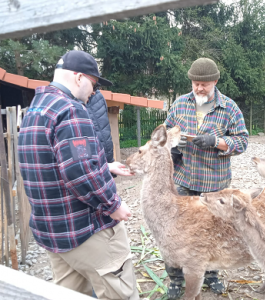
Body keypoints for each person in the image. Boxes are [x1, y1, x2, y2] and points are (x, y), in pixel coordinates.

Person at [18, 50, 139, 300]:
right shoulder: (71, 109)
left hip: (53, 232)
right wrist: (112, 204)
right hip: (84, 229)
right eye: (93, 84)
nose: (93, 92)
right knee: (121, 293)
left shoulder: (34, 110)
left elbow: (53, 165)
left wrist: (105, 167)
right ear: (78, 77)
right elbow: (79, 173)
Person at [164, 57, 249, 299]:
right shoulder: (180, 104)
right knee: (175, 230)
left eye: (204, 84)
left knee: (213, 230)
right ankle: (176, 277)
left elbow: (242, 141)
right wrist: (173, 145)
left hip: (215, 184)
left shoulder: (230, 108)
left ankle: (211, 273)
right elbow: (167, 130)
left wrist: (217, 142)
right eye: (195, 83)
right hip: (183, 179)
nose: (199, 88)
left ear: (215, 81)